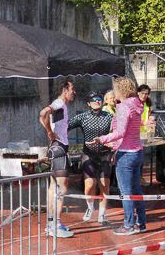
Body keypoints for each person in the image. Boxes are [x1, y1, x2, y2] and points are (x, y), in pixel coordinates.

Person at [91, 76, 147, 235]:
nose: (114, 92)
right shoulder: (136, 105)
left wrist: (102, 139)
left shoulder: (123, 107)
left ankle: (129, 224)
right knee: (137, 190)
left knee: (126, 192)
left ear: (121, 90)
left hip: (127, 154)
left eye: (115, 89)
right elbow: (129, 132)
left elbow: (120, 132)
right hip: (137, 152)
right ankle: (141, 222)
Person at [68, 93, 114, 225]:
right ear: (88, 103)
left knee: (104, 185)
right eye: (93, 100)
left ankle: (102, 214)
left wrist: (115, 150)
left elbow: (119, 131)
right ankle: (90, 207)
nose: (97, 102)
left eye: (99, 99)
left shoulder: (109, 117)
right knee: (89, 186)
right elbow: (66, 126)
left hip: (105, 154)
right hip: (89, 154)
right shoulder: (83, 117)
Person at [39, 79, 77, 238]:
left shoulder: (61, 106)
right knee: (61, 186)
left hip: (57, 147)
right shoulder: (59, 103)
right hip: (59, 147)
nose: (74, 92)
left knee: (53, 186)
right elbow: (43, 113)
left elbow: (42, 117)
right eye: (72, 89)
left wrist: (48, 129)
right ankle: (55, 224)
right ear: (65, 90)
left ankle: (52, 223)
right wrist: (49, 132)